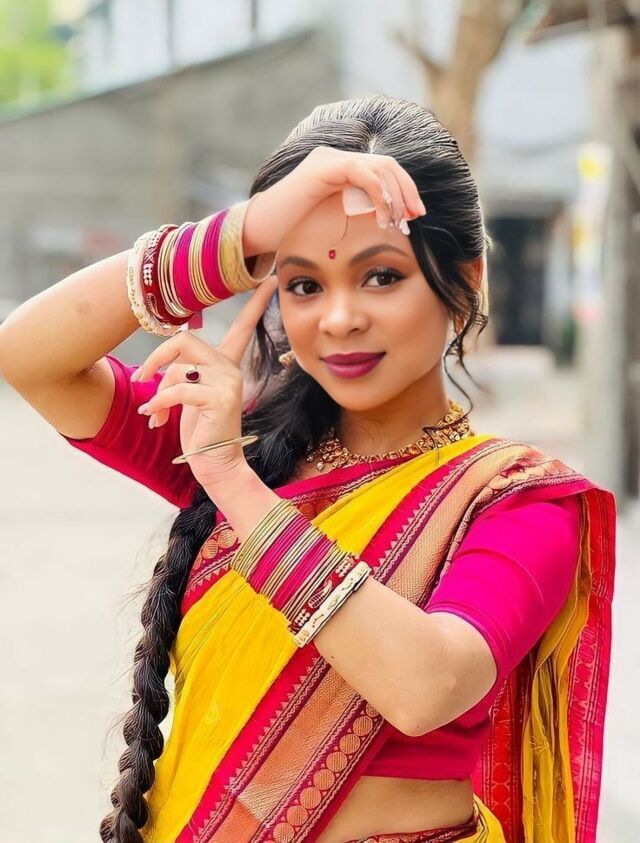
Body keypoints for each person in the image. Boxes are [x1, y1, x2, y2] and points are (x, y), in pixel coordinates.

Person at [0, 96, 615, 843]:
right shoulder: (252, 449)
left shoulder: (516, 503)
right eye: (303, 284)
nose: (339, 318)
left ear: (466, 278)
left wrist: (234, 484)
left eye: (381, 276)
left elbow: (427, 686)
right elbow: (28, 355)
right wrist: (241, 234)